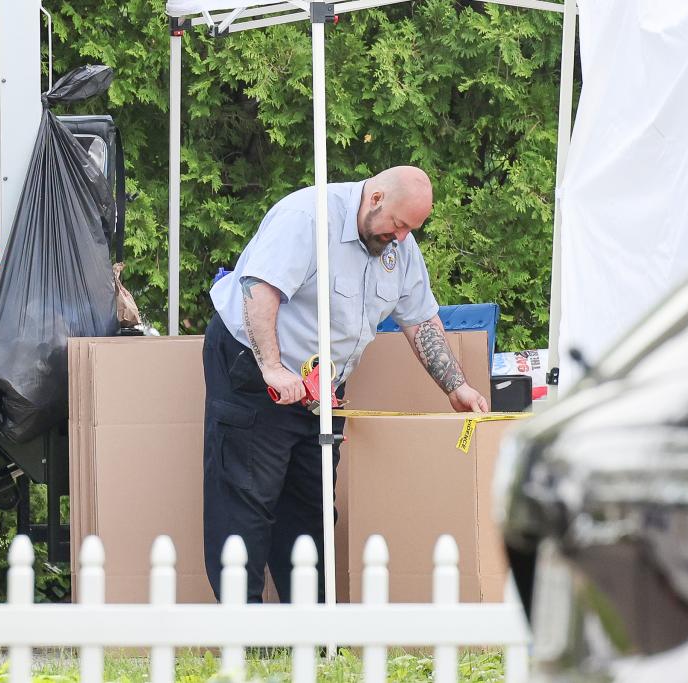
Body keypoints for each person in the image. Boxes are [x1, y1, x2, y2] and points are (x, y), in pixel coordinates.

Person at [203, 166, 489, 603]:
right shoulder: (308, 218)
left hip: (319, 389)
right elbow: (258, 290)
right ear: (375, 198)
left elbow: (420, 320)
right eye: (398, 224)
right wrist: (274, 369)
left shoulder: (400, 246)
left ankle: (311, 636)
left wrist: (456, 385)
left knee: (313, 509)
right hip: (255, 367)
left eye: (411, 229)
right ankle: (246, 640)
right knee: (247, 501)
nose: (401, 237)